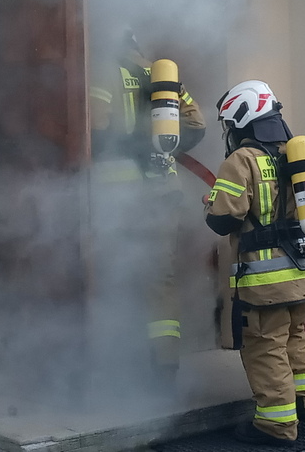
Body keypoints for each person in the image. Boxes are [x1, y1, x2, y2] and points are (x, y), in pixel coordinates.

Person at [204, 80, 305, 446]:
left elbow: (222, 219)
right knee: (295, 337)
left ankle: (277, 425)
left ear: (243, 119)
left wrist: (211, 202)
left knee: (265, 346)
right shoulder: (296, 155)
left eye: (230, 124)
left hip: (263, 280)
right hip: (301, 272)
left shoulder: (241, 160)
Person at [87, 30, 205, 386]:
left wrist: (128, 143)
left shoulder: (105, 70)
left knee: (117, 275)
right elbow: (197, 126)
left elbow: (94, 127)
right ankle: (165, 366)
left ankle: (119, 363)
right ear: (137, 45)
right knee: (160, 279)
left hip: (119, 194)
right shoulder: (162, 75)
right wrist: (159, 145)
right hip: (163, 192)